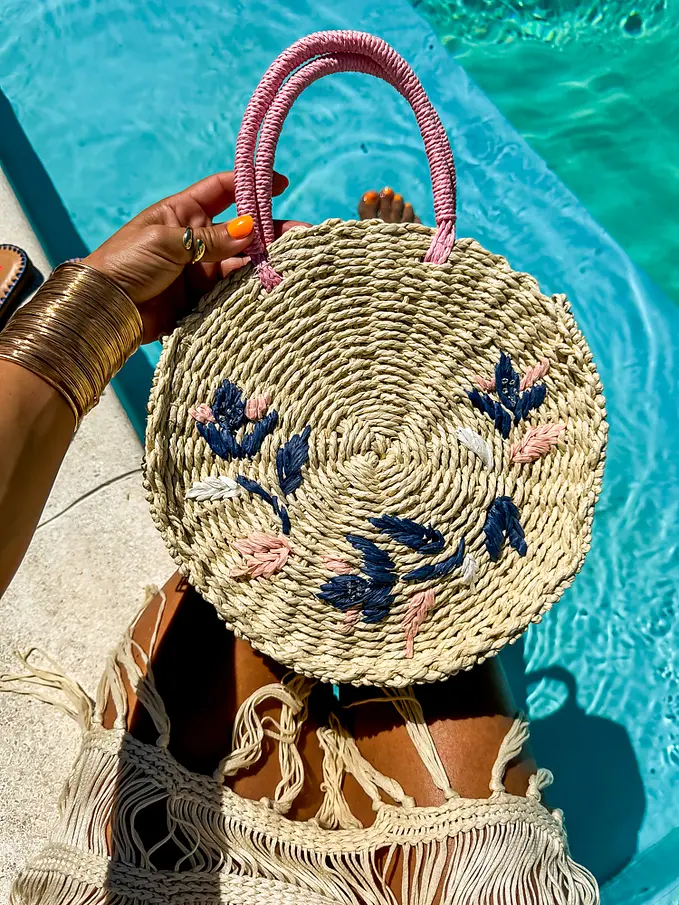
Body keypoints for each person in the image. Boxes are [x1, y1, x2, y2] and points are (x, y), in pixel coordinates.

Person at [0, 174, 590, 904]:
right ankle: (391, 368)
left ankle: (336, 437)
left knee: (236, 562)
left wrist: (94, 311)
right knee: (421, 616)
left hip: (169, 863)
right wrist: (95, 306)